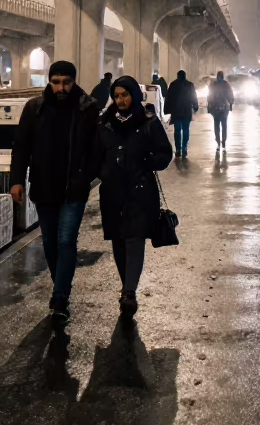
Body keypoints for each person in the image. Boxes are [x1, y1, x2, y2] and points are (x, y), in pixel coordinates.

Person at [10, 61, 101, 323]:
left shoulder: (87, 108)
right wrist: (16, 180)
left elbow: (96, 149)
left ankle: (60, 296)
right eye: (56, 82)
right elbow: (21, 146)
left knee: (65, 241)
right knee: (49, 244)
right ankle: (60, 285)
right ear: (49, 81)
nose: (61, 87)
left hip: (74, 189)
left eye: (67, 82)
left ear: (74, 81)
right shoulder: (34, 108)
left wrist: (85, 176)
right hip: (44, 186)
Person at [97, 76, 174, 318]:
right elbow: (95, 154)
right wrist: (103, 171)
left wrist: (146, 161)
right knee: (118, 242)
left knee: (134, 239)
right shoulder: (105, 123)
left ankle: (129, 292)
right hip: (112, 192)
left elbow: (165, 153)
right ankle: (126, 287)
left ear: (134, 95)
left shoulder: (149, 123)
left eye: (125, 95)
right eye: (117, 96)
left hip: (140, 192)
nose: (120, 100)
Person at [164, 69, 199, 157]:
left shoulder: (173, 84)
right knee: (186, 130)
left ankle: (178, 149)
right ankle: (184, 148)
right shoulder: (190, 85)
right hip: (186, 111)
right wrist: (195, 106)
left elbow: (168, 98)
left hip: (176, 112)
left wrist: (167, 110)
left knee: (177, 130)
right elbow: (193, 97)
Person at [207, 71, 235, 149]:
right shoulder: (226, 84)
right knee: (224, 125)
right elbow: (231, 95)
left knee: (216, 125)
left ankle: (218, 141)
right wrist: (231, 104)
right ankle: (223, 140)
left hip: (215, 108)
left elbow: (209, 96)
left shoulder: (213, 85)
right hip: (224, 108)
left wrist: (209, 106)